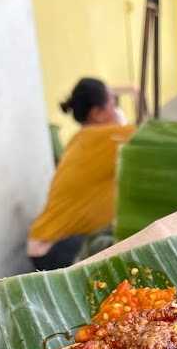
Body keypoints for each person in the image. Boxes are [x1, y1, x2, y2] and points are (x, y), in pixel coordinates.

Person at [28, 78, 134, 271]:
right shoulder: (107, 139)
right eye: (113, 103)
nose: (117, 109)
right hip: (56, 250)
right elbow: (156, 136)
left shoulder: (81, 138)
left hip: (45, 245)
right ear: (97, 113)